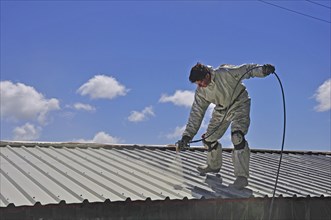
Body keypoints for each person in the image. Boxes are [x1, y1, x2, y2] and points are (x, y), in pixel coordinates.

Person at [176, 62, 275, 189]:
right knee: (208, 139)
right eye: (197, 84)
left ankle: (241, 177)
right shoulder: (201, 92)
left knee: (237, 136)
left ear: (207, 75)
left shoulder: (225, 73)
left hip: (240, 103)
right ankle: (214, 165)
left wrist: (262, 70)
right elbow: (196, 114)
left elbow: (246, 70)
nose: (200, 86)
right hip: (222, 110)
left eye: (200, 82)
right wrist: (187, 136)